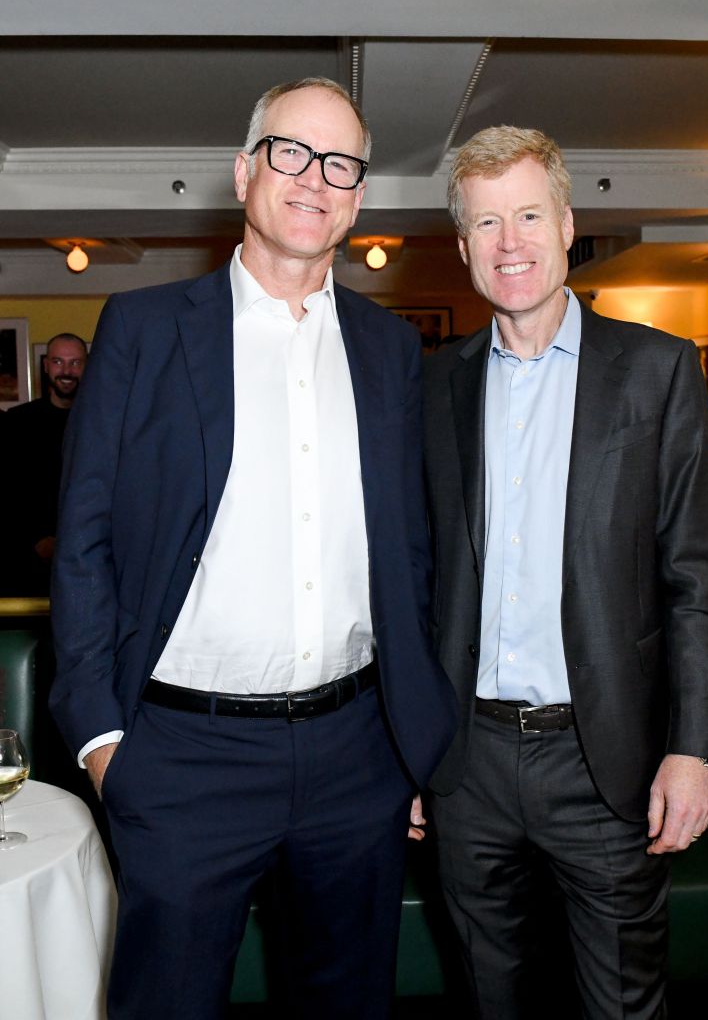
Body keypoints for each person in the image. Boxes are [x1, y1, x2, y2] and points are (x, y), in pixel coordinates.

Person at [49, 78, 456, 1020]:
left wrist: (412, 744)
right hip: (182, 755)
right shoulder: (145, 331)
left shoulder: (391, 350)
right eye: (291, 152)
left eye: (341, 163)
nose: (316, 178)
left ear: (356, 197)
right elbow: (84, 543)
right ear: (244, 172)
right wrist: (105, 741)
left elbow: (413, 554)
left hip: (358, 755)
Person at [422, 126, 708, 1019]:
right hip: (466, 764)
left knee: (621, 1005)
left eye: (526, 214)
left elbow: (695, 579)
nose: (508, 241)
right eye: (485, 223)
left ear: (566, 224)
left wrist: (693, 747)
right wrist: (410, 747)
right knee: (491, 998)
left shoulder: (657, 372)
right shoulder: (432, 385)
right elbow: (415, 581)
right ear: (464, 247)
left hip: (605, 762)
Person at [1, 333, 87, 594]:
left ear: (87, 366)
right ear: (46, 365)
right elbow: (7, 492)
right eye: (59, 362)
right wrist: (36, 539)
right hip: (26, 566)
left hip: (90, 559)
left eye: (75, 363)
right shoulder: (17, 423)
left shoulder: (105, 423)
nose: (67, 371)